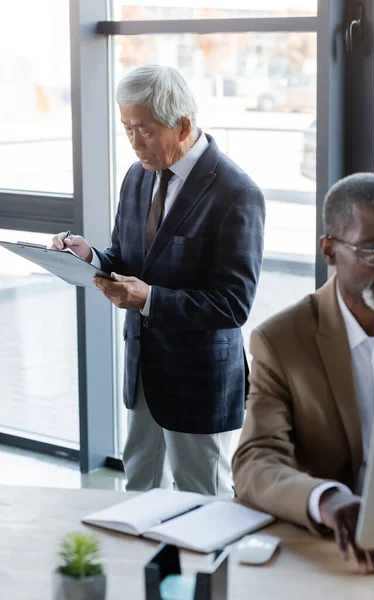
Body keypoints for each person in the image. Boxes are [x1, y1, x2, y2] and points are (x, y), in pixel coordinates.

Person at [52, 64, 265, 497]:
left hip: (197, 381)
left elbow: (232, 305)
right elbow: (127, 259)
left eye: (144, 130)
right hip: (143, 371)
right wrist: (90, 255)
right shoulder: (137, 176)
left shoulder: (237, 193)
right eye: (127, 129)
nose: (134, 143)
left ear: (183, 125)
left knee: (201, 500)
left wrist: (149, 299)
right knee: (138, 492)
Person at [232, 172, 374, 573]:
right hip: (333, 553)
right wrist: (327, 500)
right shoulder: (282, 340)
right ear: (329, 250)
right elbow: (255, 460)